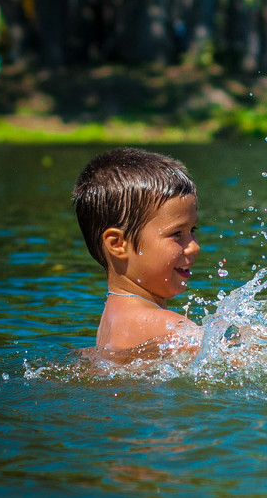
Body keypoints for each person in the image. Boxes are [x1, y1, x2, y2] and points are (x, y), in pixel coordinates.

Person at [73, 147, 202, 356]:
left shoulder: (113, 320)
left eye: (192, 230)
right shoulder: (164, 326)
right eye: (177, 234)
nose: (195, 245)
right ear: (117, 244)